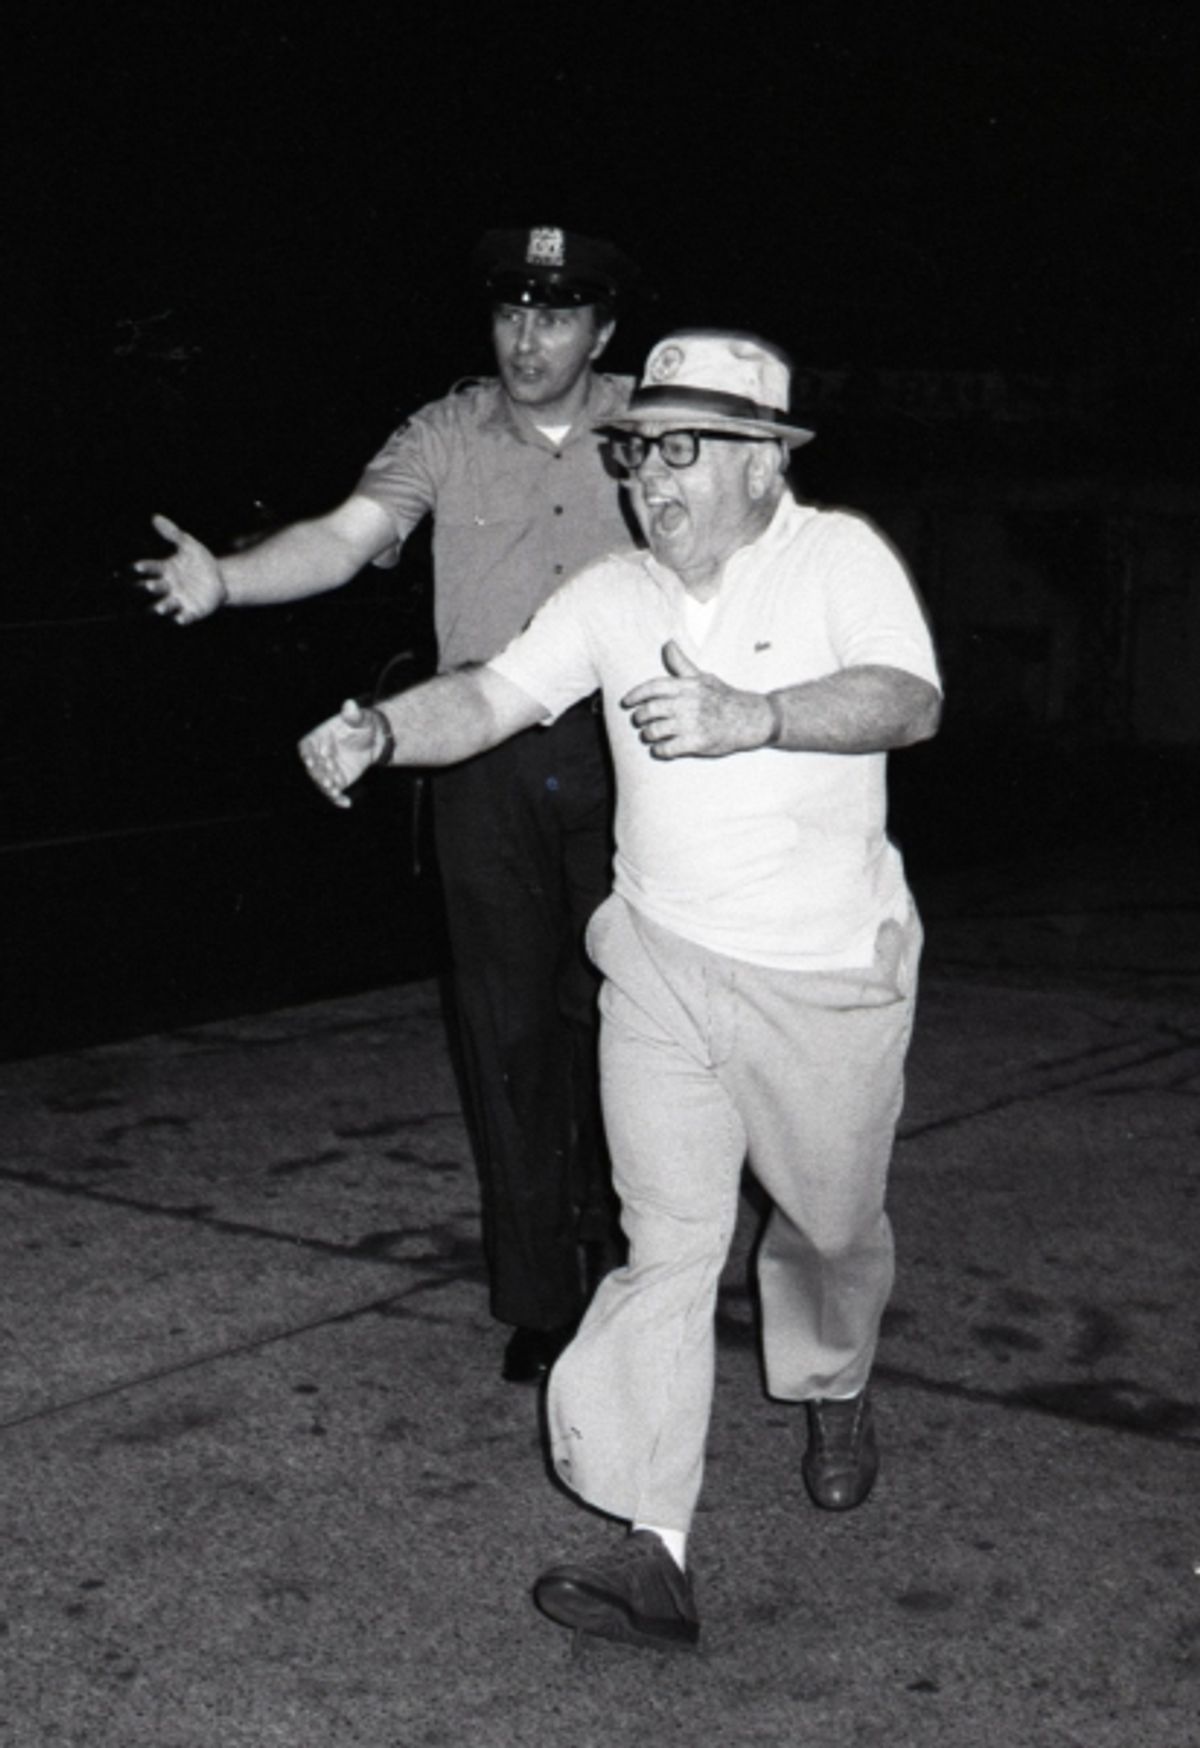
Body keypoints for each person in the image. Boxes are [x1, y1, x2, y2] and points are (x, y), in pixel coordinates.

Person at [296, 329, 942, 1652]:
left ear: (764, 462)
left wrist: (755, 716)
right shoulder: (616, 593)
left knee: (825, 1226)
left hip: (824, 979)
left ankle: (834, 1379)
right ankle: (654, 1548)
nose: (653, 481)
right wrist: (382, 732)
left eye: (685, 452)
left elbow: (904, 698)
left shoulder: (839, 561)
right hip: (656, 966)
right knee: (667, 1250)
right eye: (642, 451)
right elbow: (492, 694)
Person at [134, 226, 640, 1384]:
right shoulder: (445, 432)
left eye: (558, 315)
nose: (528, 337)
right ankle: (542, 1297)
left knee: (631, 1022)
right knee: (506, 1029)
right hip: (481, 755)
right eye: (512, 312)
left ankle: (634, 1271)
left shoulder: (655, 425)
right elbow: (346, 536)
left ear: (603, 330)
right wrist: (229, 579)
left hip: (631, 756)